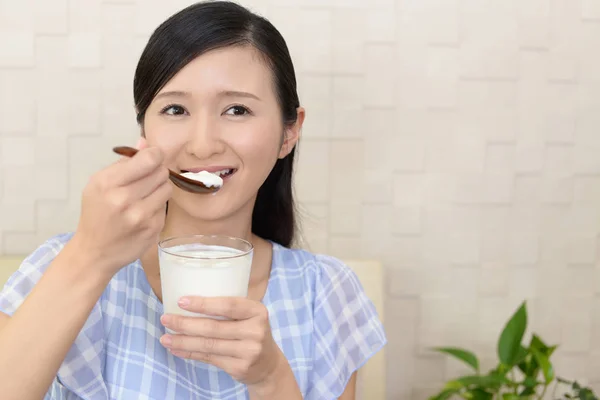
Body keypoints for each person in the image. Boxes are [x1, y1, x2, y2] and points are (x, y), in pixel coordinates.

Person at [0, 1, 387, 399]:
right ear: (145, 131)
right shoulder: (66, 265)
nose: (202, 146)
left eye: (237, 110)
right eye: (175, 109)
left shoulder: (325, 294)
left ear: (289, 133)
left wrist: (270, 377)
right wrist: (90, 257)